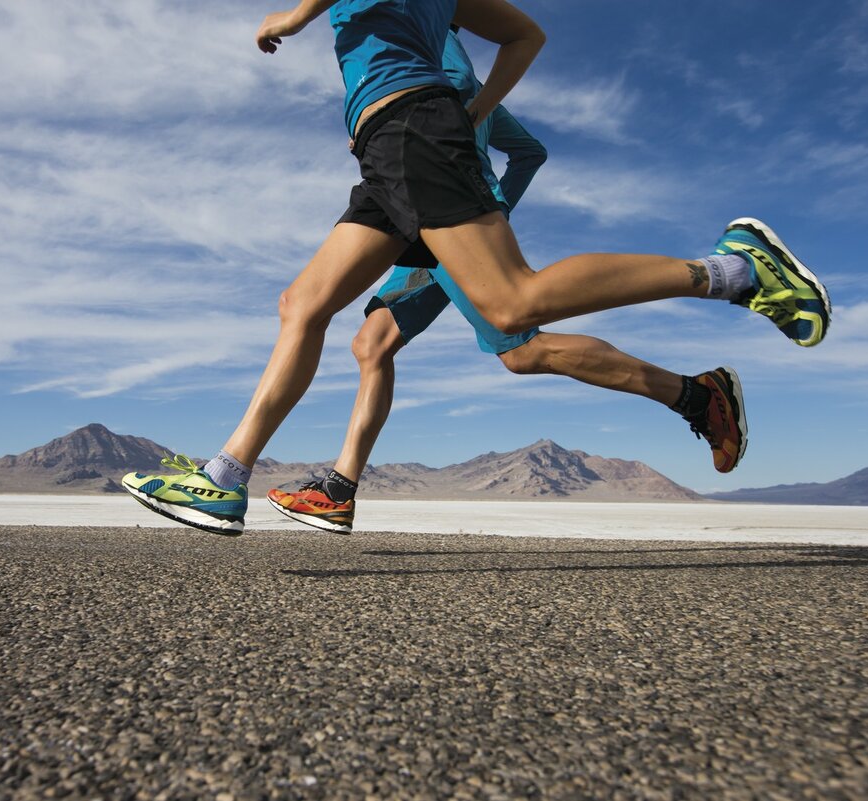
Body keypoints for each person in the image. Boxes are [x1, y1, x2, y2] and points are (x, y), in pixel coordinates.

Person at [121, 0, 830, 536]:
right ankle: (227, 475)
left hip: (413, 138)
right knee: (304, 304)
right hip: (392, 153)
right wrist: (473, 117)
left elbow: (517, 78)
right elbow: (527, 35)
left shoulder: (437, 53)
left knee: (514, 307)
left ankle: (734, 271)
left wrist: (292, 18)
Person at [265, 27, 741, 534]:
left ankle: (696, 392)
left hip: (444, 209)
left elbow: (460, 85)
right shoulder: (425, 50)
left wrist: (475, 205)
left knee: (522, 348)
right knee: (372, 343)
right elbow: (528, 150)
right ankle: (340, 489)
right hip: (421, 222)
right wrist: (495, 197)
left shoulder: (426, 38)